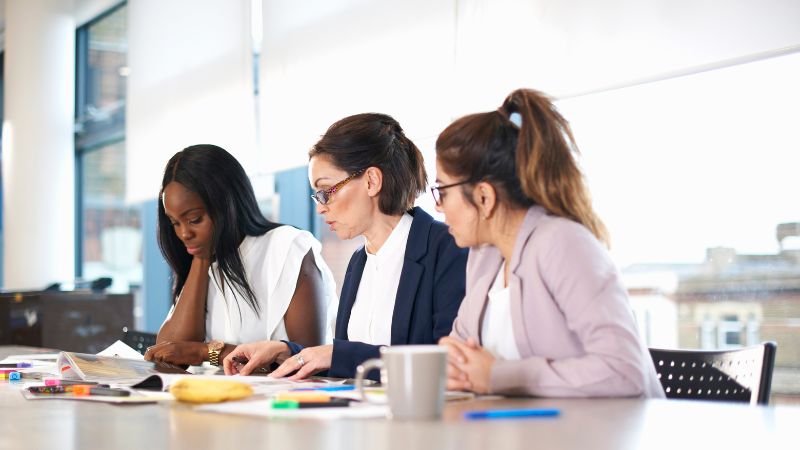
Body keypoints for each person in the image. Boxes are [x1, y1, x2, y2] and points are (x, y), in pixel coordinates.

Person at [434, 89, 664, 397]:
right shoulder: (483, 257)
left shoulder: (562, 244)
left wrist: (498, 376)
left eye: (442, 191)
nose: (438, 206)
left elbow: (624, 371)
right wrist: (452, 364)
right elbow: (462, 352)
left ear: (484, 197)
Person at [223, 113, 468, 379]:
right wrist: (287, 352)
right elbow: (353, 362)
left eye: (326, 191)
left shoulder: (447, 248)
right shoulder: (359, 261)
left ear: (372, 181)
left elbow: (447, 363)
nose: (320, 208)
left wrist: (336, 354)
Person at [144, 144, 337, 368]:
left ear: (226, 205)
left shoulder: (287, 247)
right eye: (175, 223)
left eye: (195, 219)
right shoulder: (208, 259)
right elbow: (171, 353)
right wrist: (201, 259)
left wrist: (208, 352)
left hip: (281, 400)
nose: (184, 233)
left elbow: (305, 358)